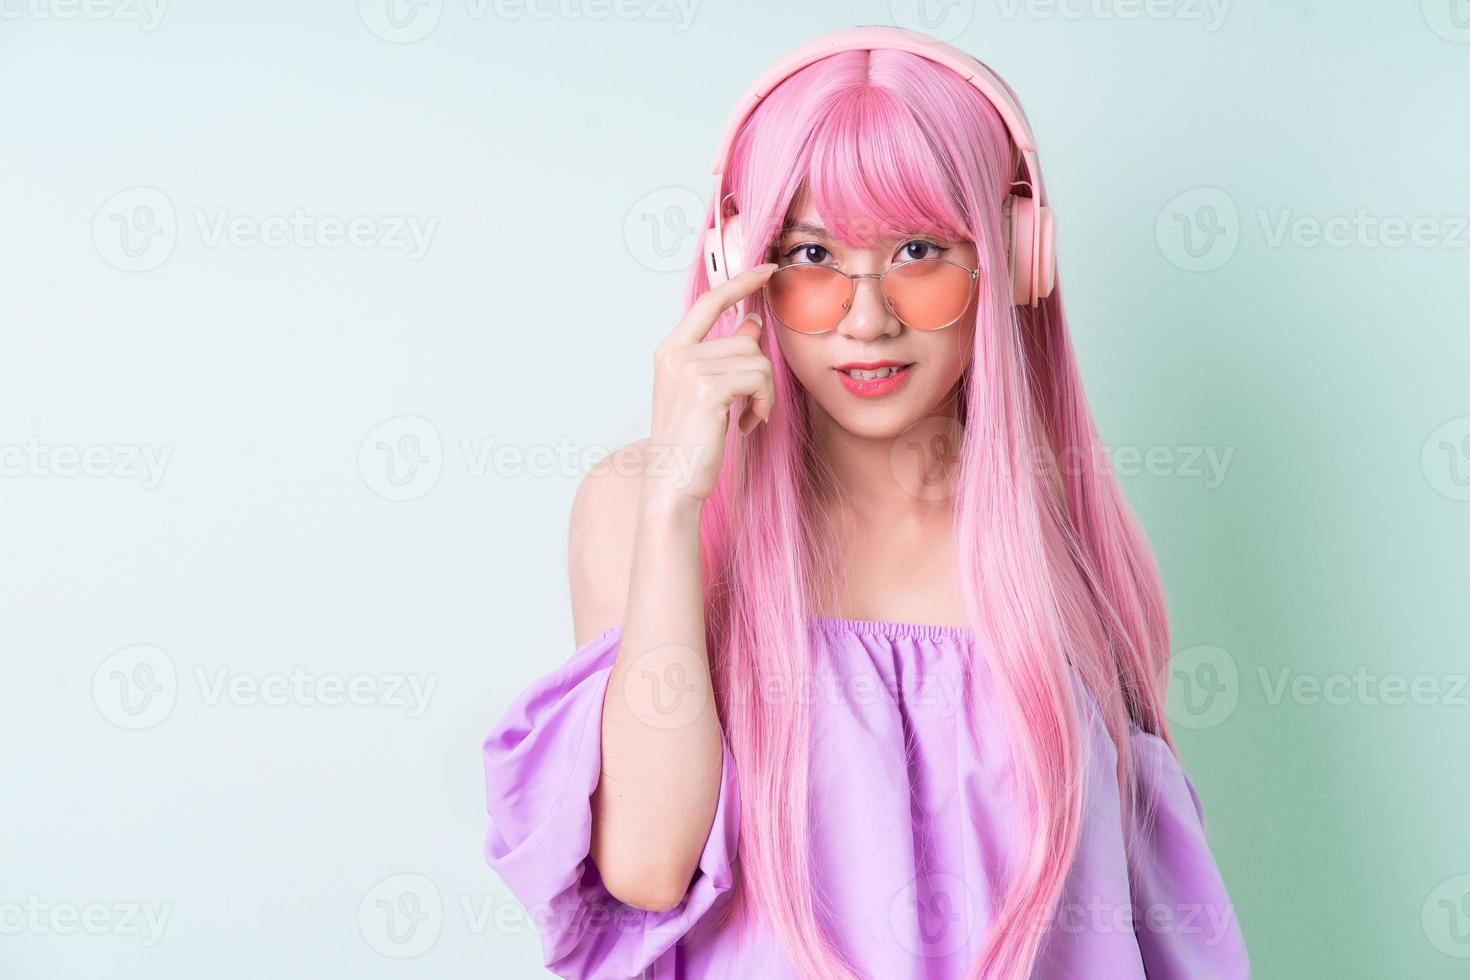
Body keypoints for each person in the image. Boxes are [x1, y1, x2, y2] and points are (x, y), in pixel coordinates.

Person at [481, 25, 1250, 980]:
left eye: (920, 249)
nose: (866, 316)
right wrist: (677, 507)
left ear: (1014, 259)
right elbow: (644, 866)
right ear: (737, 264)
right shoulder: (642, 508)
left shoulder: (1059, 542)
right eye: (810, 255)